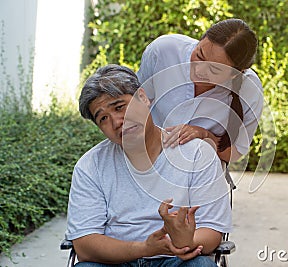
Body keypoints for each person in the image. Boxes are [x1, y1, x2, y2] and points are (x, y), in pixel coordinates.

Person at [65, 64, 232, 266]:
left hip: (176, 258)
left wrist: (183, 241)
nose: (117, 122)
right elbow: (85, 244)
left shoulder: (196, 154)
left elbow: (212, 232)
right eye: (103, 118)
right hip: (116, 261)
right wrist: (144, 248)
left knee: (200, 265)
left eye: (120, 107)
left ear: (143, 98)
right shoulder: (90, 166)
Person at [137, 18, 264, 164]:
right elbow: (135, 108)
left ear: (235, 74)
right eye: (199, 55)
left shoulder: (249, 89)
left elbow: (235, 154)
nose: (199, 70)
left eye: (214, 69)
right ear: (200, 40)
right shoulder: (164, 51)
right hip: (146, 160)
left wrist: (204, 135)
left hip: (200, 175)